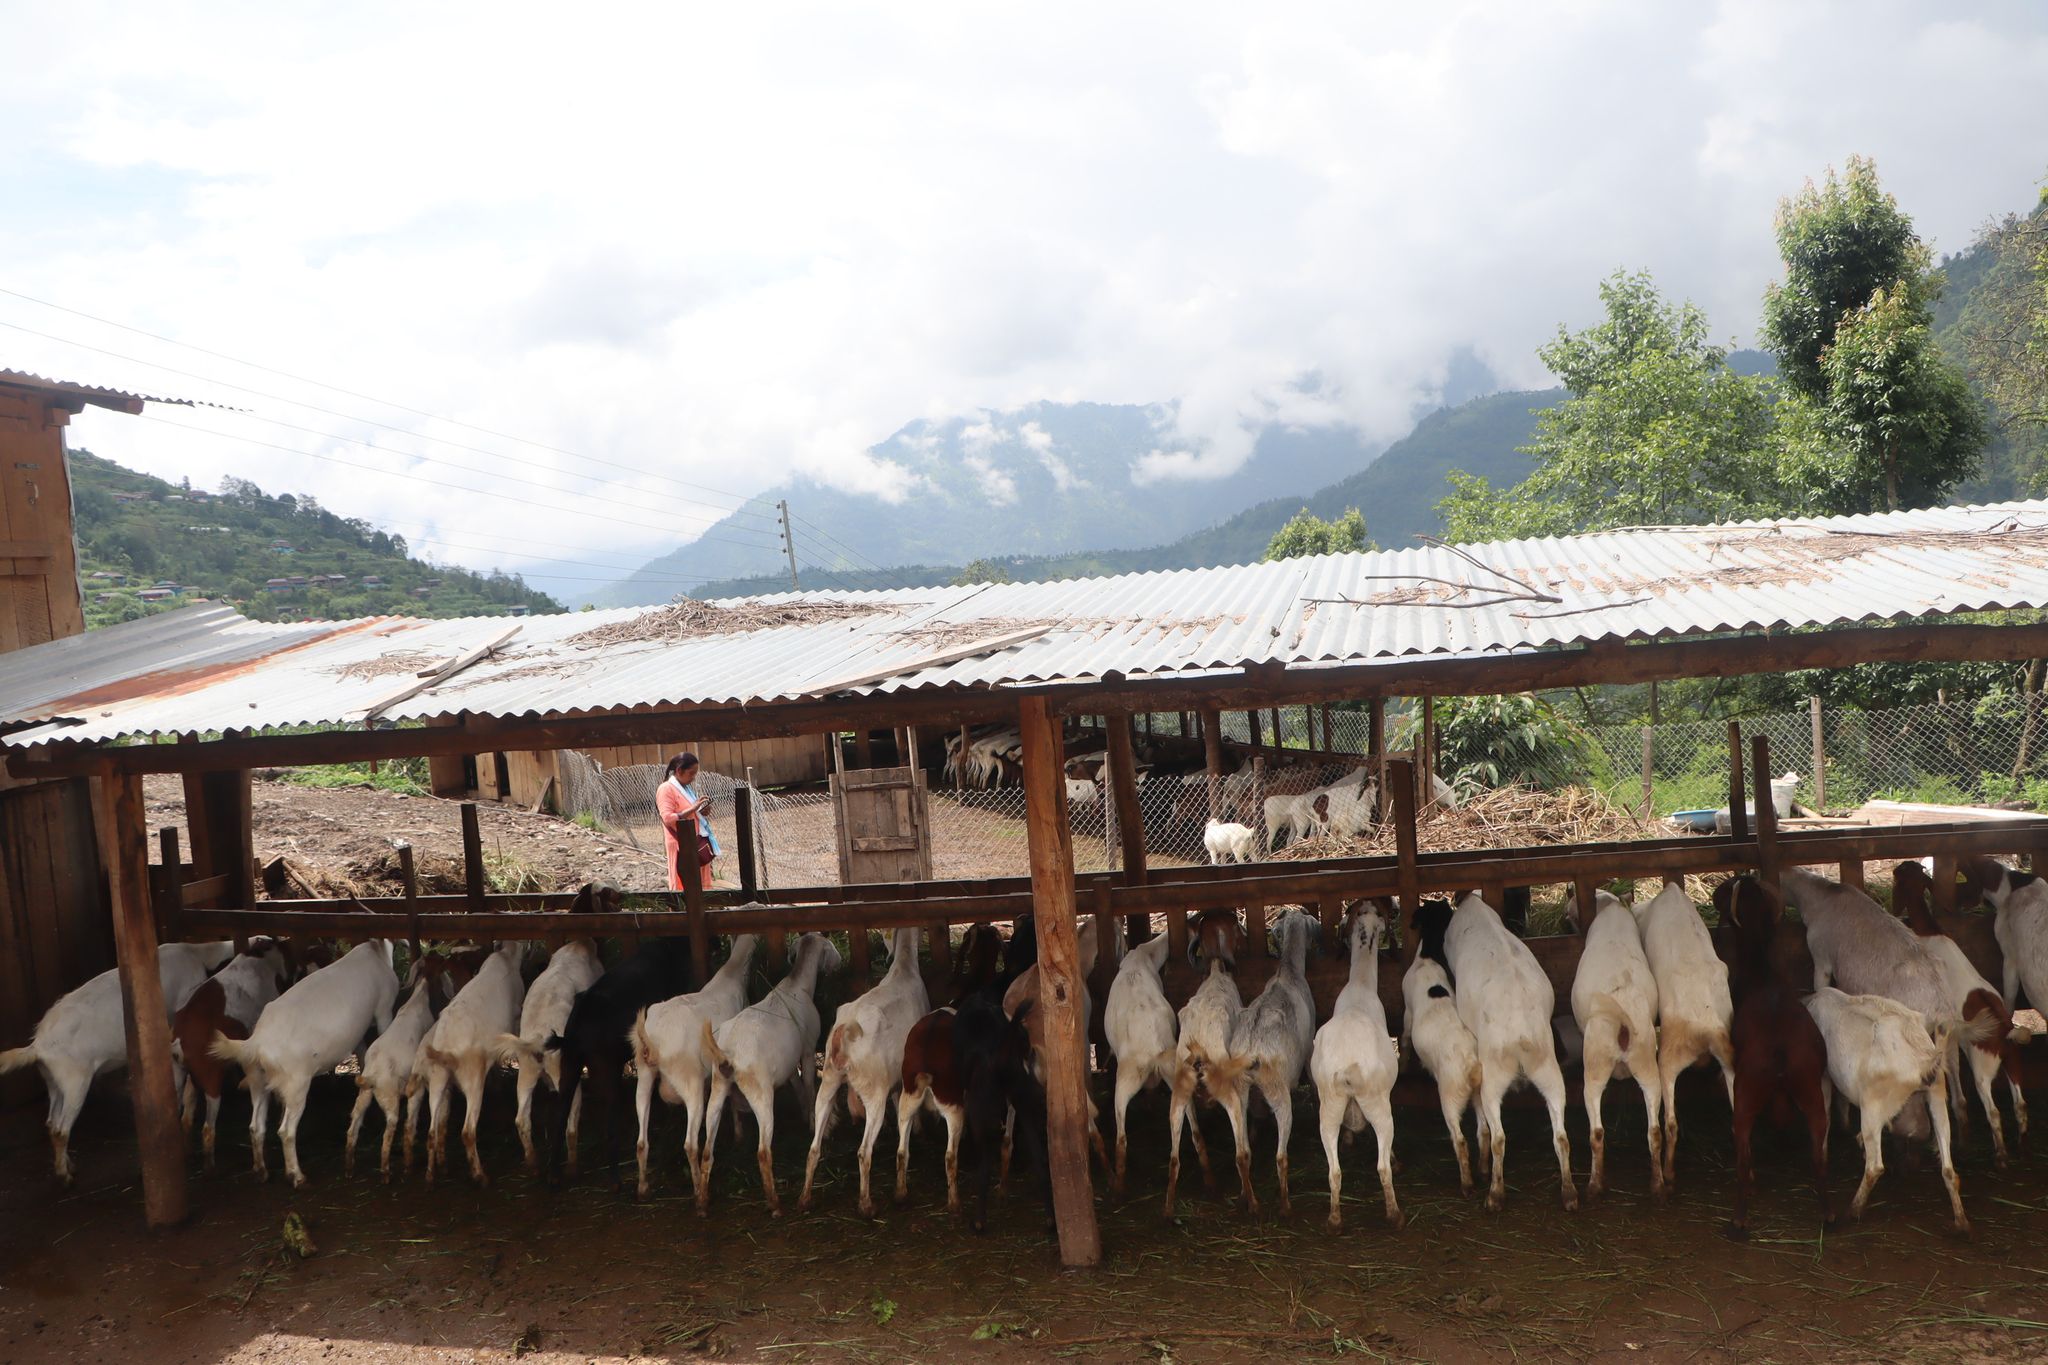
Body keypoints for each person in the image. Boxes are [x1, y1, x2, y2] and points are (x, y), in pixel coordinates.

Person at [657, 752, 719, 891]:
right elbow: (667, 818)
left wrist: (700, 812)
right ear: (679, 771)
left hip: (694, 841)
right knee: (684, 883)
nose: (693, 778)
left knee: (699, 881)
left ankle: (703, 908)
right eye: (691, 773)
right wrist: (693, 808)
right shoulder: (666, 789)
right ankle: (684, 910)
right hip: (680, 843)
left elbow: (689, 812)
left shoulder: (685, 788)